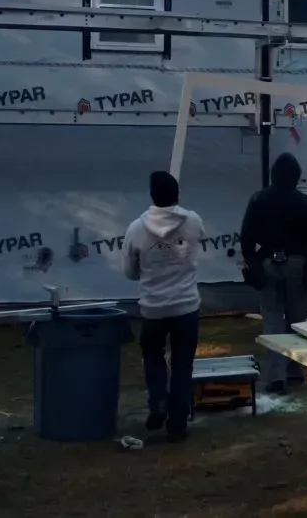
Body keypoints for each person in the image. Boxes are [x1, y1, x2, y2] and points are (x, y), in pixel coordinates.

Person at [122, 170, 205, 443]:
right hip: (186, 307)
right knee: (183, 365)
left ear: (151, 197)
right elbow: (197, 242)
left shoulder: (136, 229)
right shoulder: (192, 221)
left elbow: (129, 272)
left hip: (153, 308)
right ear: (177, 194)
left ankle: (158, 400)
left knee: (153, 357)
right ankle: (178, 424)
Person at [240, 152, 307, 394]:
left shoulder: (258, 199)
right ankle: (295, 371)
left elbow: (246, 236)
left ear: (273, 175)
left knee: (272, 319)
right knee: (296, 319)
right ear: (296, 177)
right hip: (297, 266)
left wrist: (252, 264)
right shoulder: (304, 202)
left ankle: (275, 376)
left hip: (268, 262)